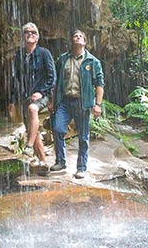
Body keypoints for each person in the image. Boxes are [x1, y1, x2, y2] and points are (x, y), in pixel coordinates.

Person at [51, 29, 104, 179]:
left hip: (83, 102)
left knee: (83, 137)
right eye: (75, 35)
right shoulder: (62, 59)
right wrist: (52, 101)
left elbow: (99, 84)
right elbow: (56, 82)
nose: (78, 37)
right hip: (65, 101)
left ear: (85, 42)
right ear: (72, 40)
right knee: (58, 129)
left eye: (81, 36)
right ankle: (60, 161)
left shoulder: (93, 62)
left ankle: (81, 167)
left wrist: (98, 104)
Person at [8, 22, 56, 169]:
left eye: (33, 32)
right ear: (23, 36)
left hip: (43, 95)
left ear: (37, 37)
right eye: (27, 32)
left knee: (32, 110)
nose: (30, 34)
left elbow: (52, 76)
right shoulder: (19, 55)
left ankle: (28, 146)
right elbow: (15, 79)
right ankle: (43, 162)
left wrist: (41, 92)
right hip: (25, 96)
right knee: (31, 129)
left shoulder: (44, 53)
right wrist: (12, 100)